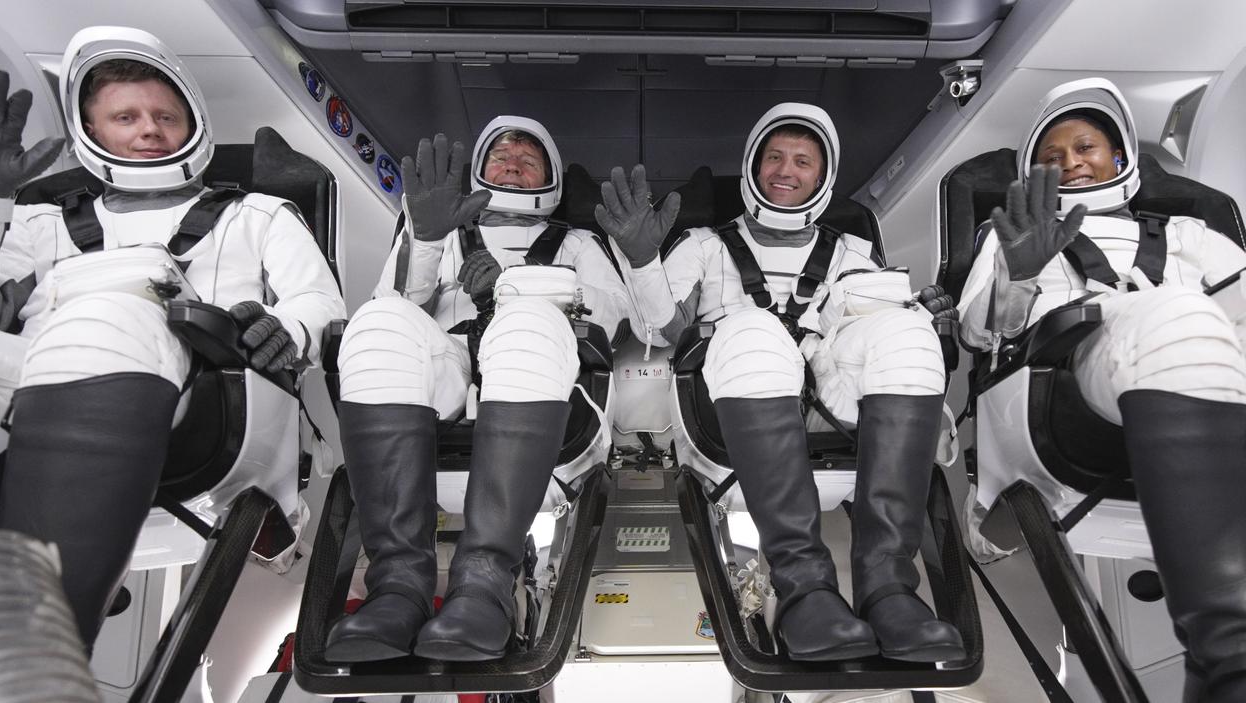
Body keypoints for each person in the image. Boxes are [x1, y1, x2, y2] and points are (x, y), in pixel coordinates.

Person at [0, 26, 344, 647]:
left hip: (210, 400)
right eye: (124, 117)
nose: (148, 129)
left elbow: (319, 301)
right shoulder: (35, 221)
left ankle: (40, 655)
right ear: (91, 130)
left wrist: (285, 327)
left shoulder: (258, 214)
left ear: (192, 120)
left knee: (117, 312)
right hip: (36, 385)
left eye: (164, 115)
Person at [596, 102, 964, 662]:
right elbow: (658, 329)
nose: (785, 170)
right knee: (752, 328)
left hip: (828, 400)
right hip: (729, 398)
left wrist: (921, 318)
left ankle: (889, 588)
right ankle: (804, 591)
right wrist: (645, 261)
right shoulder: (704, 244)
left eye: (802, 161)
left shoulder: (853, 253)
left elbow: (866, 334)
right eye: (773, 157)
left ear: (823, 176)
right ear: (753, 166)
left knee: (904, 331)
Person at [957, 77, 1246, 702]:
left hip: (1198, 382)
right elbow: (980, 338)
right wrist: (1021, 276)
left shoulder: (1194, 238)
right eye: (1051, 159)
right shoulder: (1011, 237)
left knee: (1197, 322)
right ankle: (1233, 662)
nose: (1071, 164)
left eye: (1085, 147)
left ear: (1119, 158)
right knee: (1180, 315)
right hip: (1055, 395)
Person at [324, 117, 630, 662]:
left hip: (541, 385)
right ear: (479, 172)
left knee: (528, 322)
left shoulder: (578, 243)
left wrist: (511, 295)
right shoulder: (438, 229)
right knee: (377, 323)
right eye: (501, 158)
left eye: (528, 159)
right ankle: (397, 588)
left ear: (550, 177)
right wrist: (424, 239)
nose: (513, 165)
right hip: (446, 379)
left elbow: (610, 317)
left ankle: (484, 585)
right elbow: (396, 301)